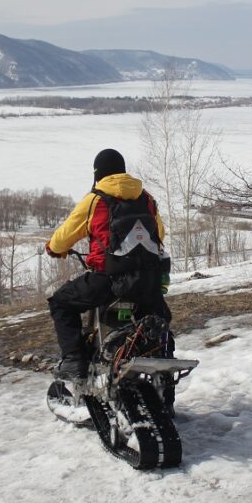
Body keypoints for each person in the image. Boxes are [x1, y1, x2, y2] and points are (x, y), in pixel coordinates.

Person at [46, 148, 169, 381]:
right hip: (147, 282)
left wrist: (54, 248)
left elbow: (64, 237)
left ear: (98, 173)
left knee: (61, 303)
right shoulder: (147, 199)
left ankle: (73, 361)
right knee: (157, 323)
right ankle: (164, 389)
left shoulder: (95, 200)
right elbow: (160, 233)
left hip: (108, 280)